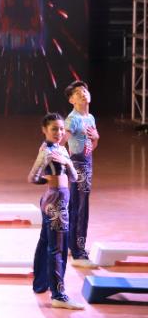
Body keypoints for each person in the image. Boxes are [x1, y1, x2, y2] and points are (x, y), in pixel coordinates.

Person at [28, 113, 85, 310]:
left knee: (46, 242)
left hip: (58, 200)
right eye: (54, 129)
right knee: (58, 248)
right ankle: (58, 295)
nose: (59, 132)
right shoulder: (47, 151)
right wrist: (48, 180)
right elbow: (32, 177)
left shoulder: (61, 149)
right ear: (44, 130)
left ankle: (41, 284)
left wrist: (67, 162)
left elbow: (75, 177)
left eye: (61, 129)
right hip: (55, 203)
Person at [62, 81, 98, 268]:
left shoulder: (90, 118)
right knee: (80, 207)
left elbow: (91, 145)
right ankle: (78, 252)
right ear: (71, 100)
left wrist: (96, 138)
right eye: (78, 93)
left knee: (77, 205)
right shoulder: (73, 119)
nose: (83, 93)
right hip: (78, 165)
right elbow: (61, 140)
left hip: (87, 163)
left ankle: (72, 245)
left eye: (84, 90)